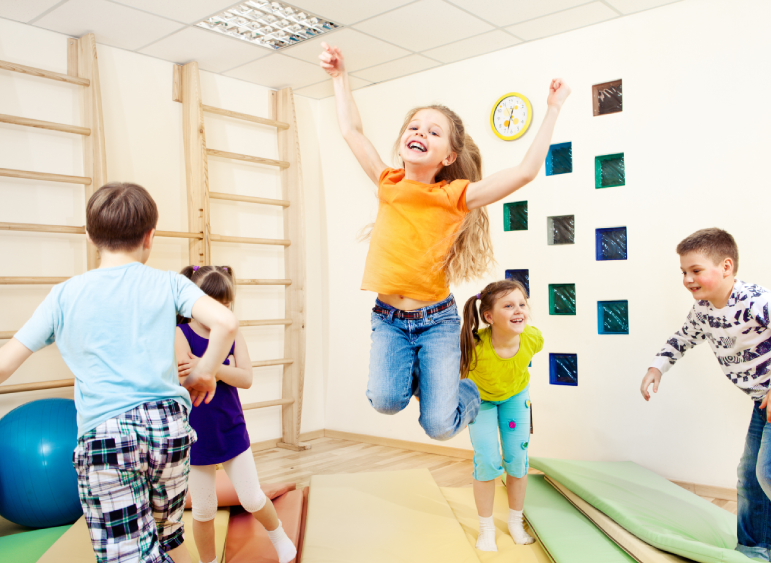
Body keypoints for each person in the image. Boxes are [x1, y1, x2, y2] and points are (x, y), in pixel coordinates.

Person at [319, 41, 569, 440]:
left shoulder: (454, 196)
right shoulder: (388, 182)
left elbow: (523, 172)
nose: (420, 133)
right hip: (388, 320)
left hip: (436, 322)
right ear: (404, 140)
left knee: (438, 427)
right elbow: (351, 130)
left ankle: (466, 391)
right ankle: (432, 380)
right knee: (385, 401)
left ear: (448, 157)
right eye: (414, 127)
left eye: (433, 132)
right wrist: (339, 77)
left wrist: (553, 108)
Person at [0, 182, 236, 563]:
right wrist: (205, 373)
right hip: (168, 431)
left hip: (108, 437)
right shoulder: (168, 282)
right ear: (150, 236)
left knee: (129, 555)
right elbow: (225, 322)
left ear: (91, 236)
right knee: (169, 538)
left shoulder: (64, 295)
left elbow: (5, 364)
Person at [640, 228, 771, 560]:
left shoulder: (755, 300)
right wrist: (657, 367)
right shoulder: (704, 309)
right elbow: (683, 338)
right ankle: (754, 548)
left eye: (695, 270)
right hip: (766, 398)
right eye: (684, 272)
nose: (687, 279)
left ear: (725, 266)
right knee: (751, 475)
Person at [175, 265, 297, 563]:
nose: (220, 313)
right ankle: (209, 561)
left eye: (226, 306)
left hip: (230, 427)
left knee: (252, 497)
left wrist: (210, 368)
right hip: (194, 434)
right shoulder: (180, 333)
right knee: (203, 509)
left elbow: (246, 378)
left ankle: (279, 537)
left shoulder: (232, 334)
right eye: (213, 305)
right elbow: (185, 378)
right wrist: (224, 367)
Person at [460, 279, 543, 551]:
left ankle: (515, 523)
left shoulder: (533, 338)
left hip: (515, 399)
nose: (518, 310)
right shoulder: (475, 346)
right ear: (488, 316)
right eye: (508, 306)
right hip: (482, 402)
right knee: (486, 459)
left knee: (518, 459)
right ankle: (486, 529)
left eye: (521, 304)